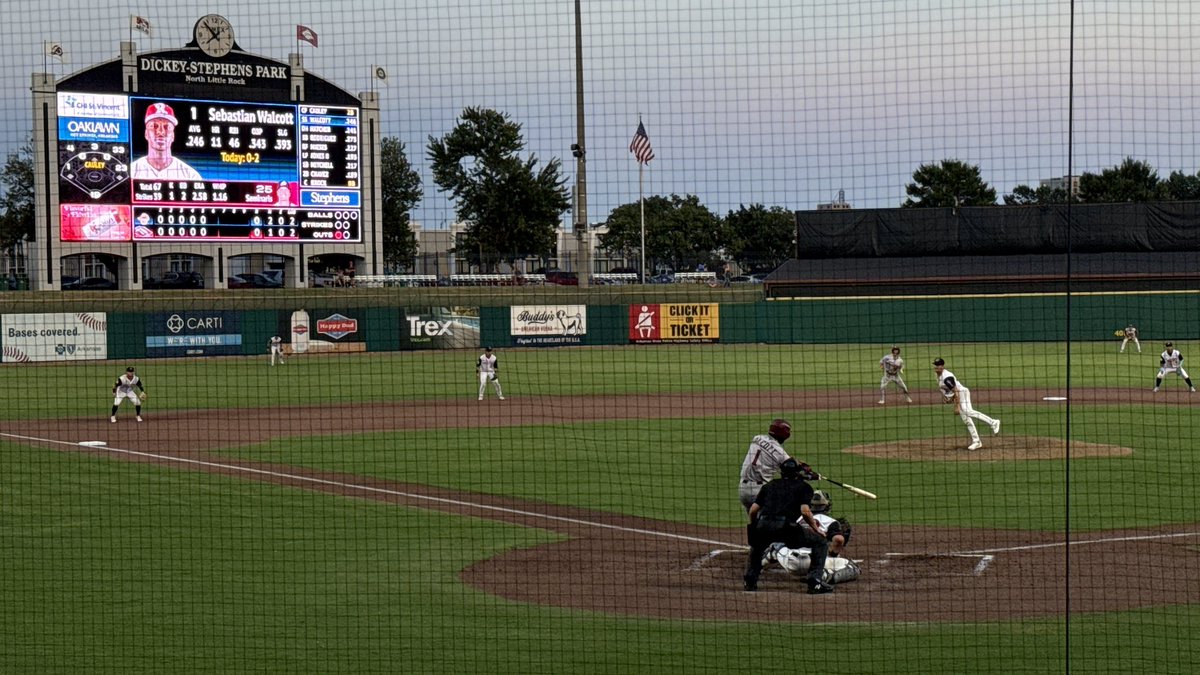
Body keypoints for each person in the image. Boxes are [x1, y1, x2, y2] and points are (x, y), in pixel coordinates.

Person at [743, 458, 834, 594]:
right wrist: (816, 529)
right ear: (797, 473)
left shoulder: (769, 485)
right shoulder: (804, 487)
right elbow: (805, 511)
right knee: (820, 542)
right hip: (785, 527)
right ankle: (814, 582)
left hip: (764, 523)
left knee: (757, 546)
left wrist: (754, 525)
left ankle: (750, 581)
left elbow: (753, 510)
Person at [934, 358, 1000, 451]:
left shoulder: (946, 377)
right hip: (958, 395)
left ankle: (993, 422)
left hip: (962, 393)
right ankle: (977, 441)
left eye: (939, 365)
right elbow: (950, 391)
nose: (936, 367)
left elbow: (956, 391)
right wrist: (948, 398)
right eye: (935, 365)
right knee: (966, 419)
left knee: (967, 411)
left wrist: (956, 407)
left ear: (943, 366)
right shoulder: (938, 376)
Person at [130, 102, 202, 181]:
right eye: (154, 126)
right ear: (146, 134)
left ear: (173, 136)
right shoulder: (131, 171)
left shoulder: (190, 175)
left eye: (167, 127)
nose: (161, 132)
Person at [738, 418, 794, 513]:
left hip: (743, 490)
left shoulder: (757, 438)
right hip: (760, 491)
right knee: (769, 521)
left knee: (753, 522)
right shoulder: (781, 454)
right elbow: (792, 466)